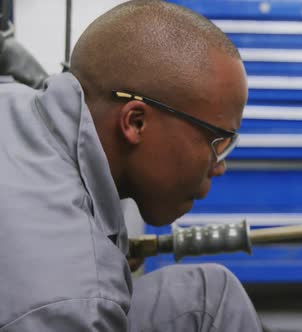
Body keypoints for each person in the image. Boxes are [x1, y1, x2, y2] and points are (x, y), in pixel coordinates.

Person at [0, 0, 261, 331]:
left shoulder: (13, 101)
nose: (220, 166)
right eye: (216, 141)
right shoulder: (73, 303)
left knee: (211, 296)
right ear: (136, 122)